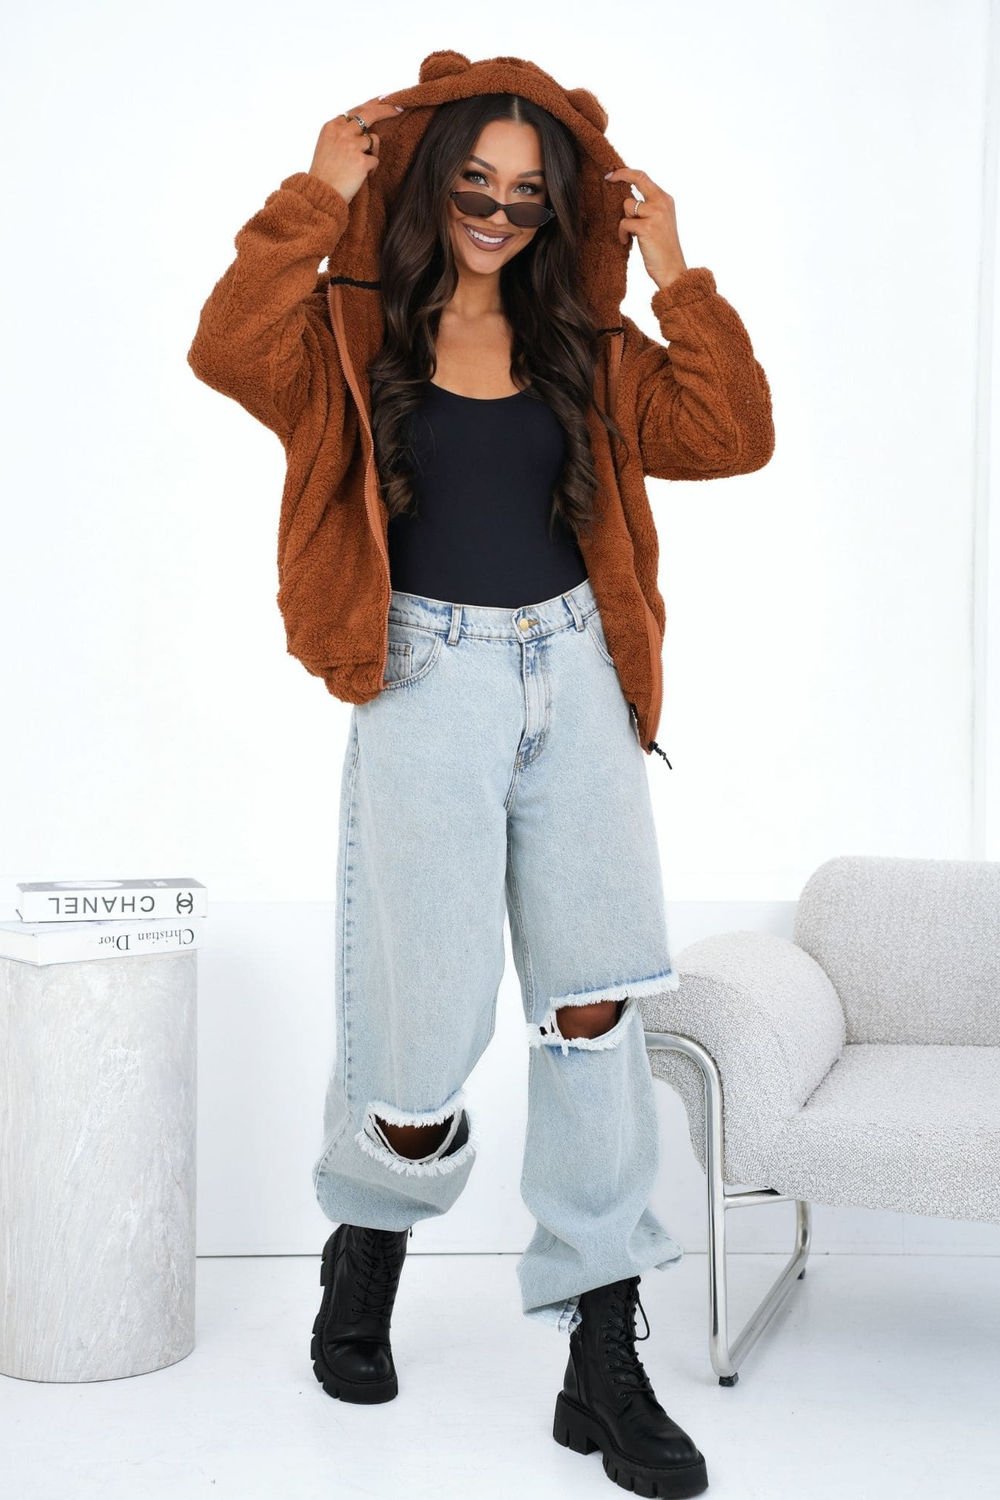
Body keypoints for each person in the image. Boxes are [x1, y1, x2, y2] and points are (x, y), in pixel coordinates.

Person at [188, 49, 774, 1499]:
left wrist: (676, 270)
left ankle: (601, 1348)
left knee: (594, 1012)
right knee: (420, 1019)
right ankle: (371, 1236)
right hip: (423, 683)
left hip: (578, 677)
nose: (499, 214)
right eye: (474, 186)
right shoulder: (349, 332)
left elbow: (734, 433)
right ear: (429, 185)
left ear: (556, 207)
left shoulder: (588, 345)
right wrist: (314, 194)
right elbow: (226, 344)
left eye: (526, 194)